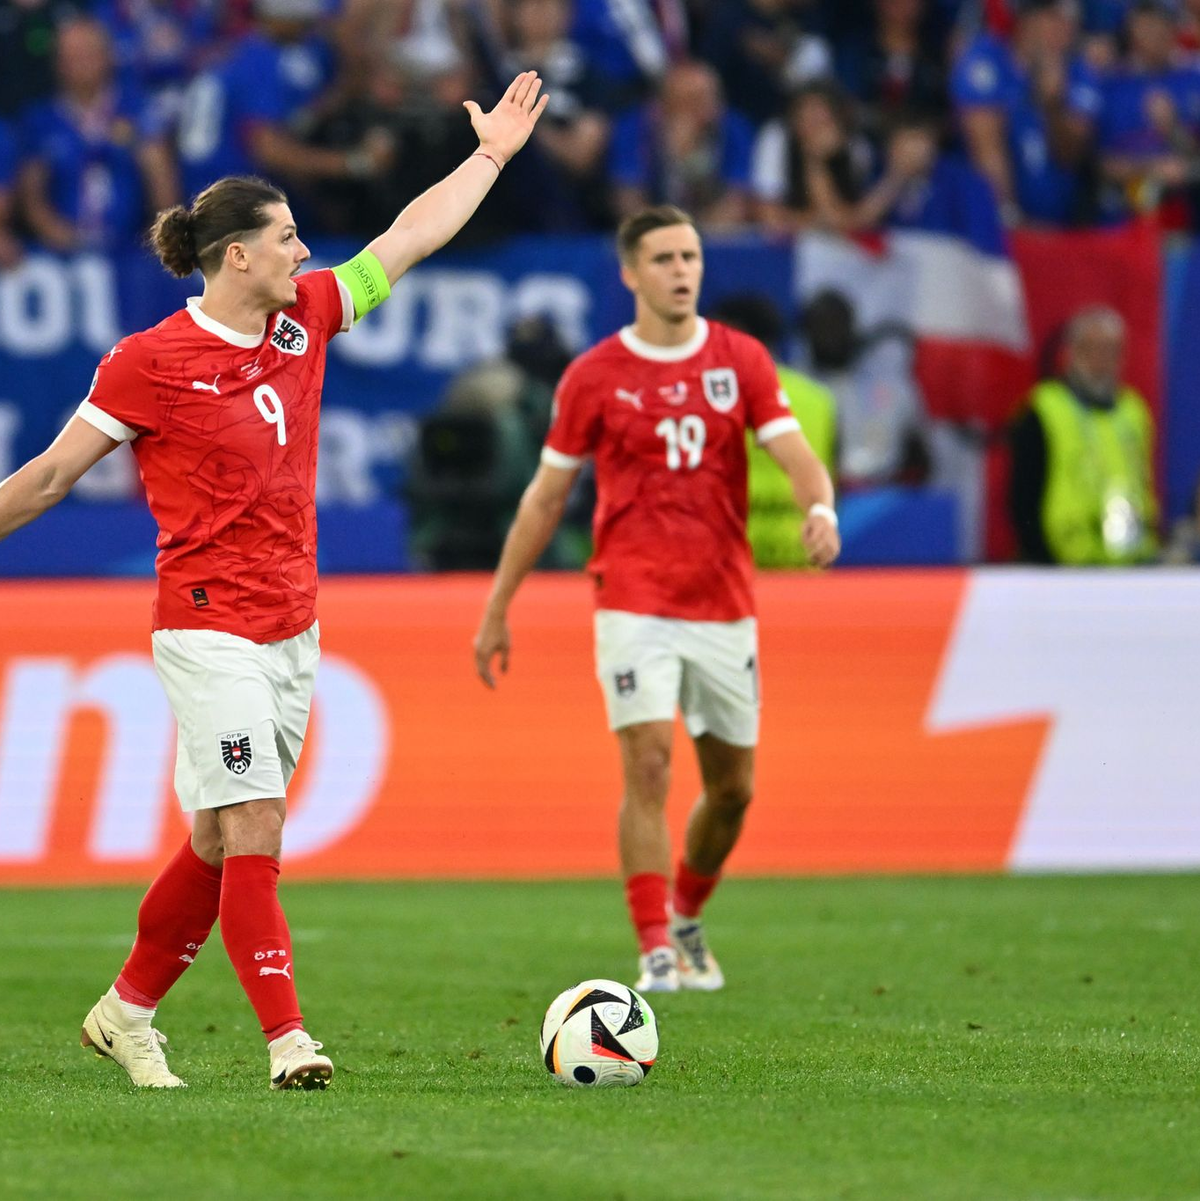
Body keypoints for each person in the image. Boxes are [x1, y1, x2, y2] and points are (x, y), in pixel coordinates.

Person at [0, 71, 548, 1090]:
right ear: (237, 256)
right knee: (256, 822)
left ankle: (125, 1012)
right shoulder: (149, 362)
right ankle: (289, 1039)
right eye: (288, 237)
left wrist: (489, 157)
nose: (305, 252)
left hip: (293, 626)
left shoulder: (307, 319)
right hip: (205, 624)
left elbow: (408, 238)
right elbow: (48, 478)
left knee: (216, 839)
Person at [473, 205, 840, 992]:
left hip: (722, 600)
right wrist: (499, 604)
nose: (681, 271)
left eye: (690, 257)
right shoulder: (594, 375)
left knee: (733, 790)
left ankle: (686, 915)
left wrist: (822, 508)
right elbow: (545, 497)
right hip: (632, 596)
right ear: (631, 274)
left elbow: (795, 452)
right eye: (665, 258)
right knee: (647, 762)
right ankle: (654, 948)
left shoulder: (740, 359)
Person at [1009, 305, 1159, 565]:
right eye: (1090, 349)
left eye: (1110, 350)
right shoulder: (1044, 408)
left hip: (1129, 562)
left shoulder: (1134, 412)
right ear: (1072, 352)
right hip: (1062, 563)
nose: (1100, 360)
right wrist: (1040, 557)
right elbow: (1022, 494)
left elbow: (1142, 484)